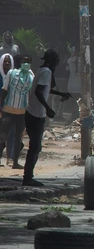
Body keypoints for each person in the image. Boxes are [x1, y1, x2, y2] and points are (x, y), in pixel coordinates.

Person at [22, 49, 71, 187]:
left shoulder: (44, 70)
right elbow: (38, 91)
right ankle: (27, 177)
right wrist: (48, 108)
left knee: (36, 147)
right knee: (35, 147)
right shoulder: (47, 72)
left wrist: (60, 93)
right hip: (35, 113)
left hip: (35, 112)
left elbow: (45, 88)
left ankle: (28, 176)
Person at [0, 54, 33, 169]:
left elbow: (30, 93)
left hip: (22, 111)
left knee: (18, 138)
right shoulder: (12, 73)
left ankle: (15, 162)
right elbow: (5, 90)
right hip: (8, 110)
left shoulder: (31, 76)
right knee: (3, 137)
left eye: (28, 62)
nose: (26, 64)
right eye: (24, 61)